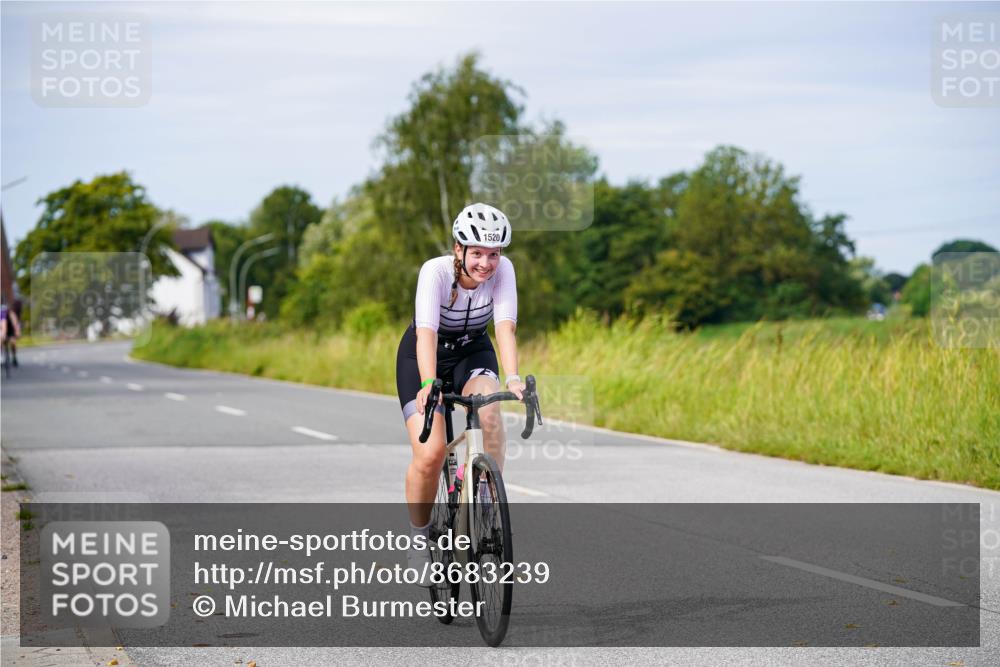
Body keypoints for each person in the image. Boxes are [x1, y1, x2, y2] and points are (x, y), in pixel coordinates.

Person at [396, 202, 525, 584]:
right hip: (426, 353)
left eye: (494, 254)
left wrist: (514, 377)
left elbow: (504, 328)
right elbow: (426, 333)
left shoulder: (504, 272)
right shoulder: (434, 273)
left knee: (488, 411)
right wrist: (427, 384)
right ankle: (419, 539)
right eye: (478, 253)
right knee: (430, 453)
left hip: (473, 350)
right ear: (459, 249)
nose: (486, 263)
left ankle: (485, 495)